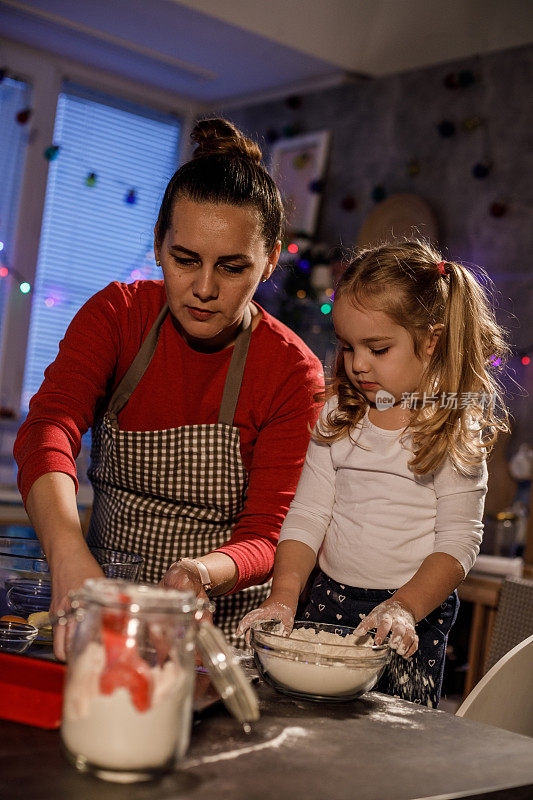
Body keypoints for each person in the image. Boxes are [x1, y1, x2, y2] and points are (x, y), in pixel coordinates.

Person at [14, 118, 324, 659]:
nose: (204, 289)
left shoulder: (291, 372)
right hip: (99, 609)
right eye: (186, 260)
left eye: (232, 267)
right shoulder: (119, 315)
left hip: (214, 639)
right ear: (157, 245)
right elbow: (49, 427)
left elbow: (270, 533)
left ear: (271, 259)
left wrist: (201, 573)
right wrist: (66, 552)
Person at [237, 240, 510, 706]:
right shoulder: (336, 419)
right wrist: (283, 595)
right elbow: (307, 516)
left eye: (378, 348)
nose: (357, 363)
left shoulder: (451, 431)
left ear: (432, 341)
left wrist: (404, 607)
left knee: (391, 737)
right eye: (347, 346)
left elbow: (458, 542)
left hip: (411, 614)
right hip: (327, 599)